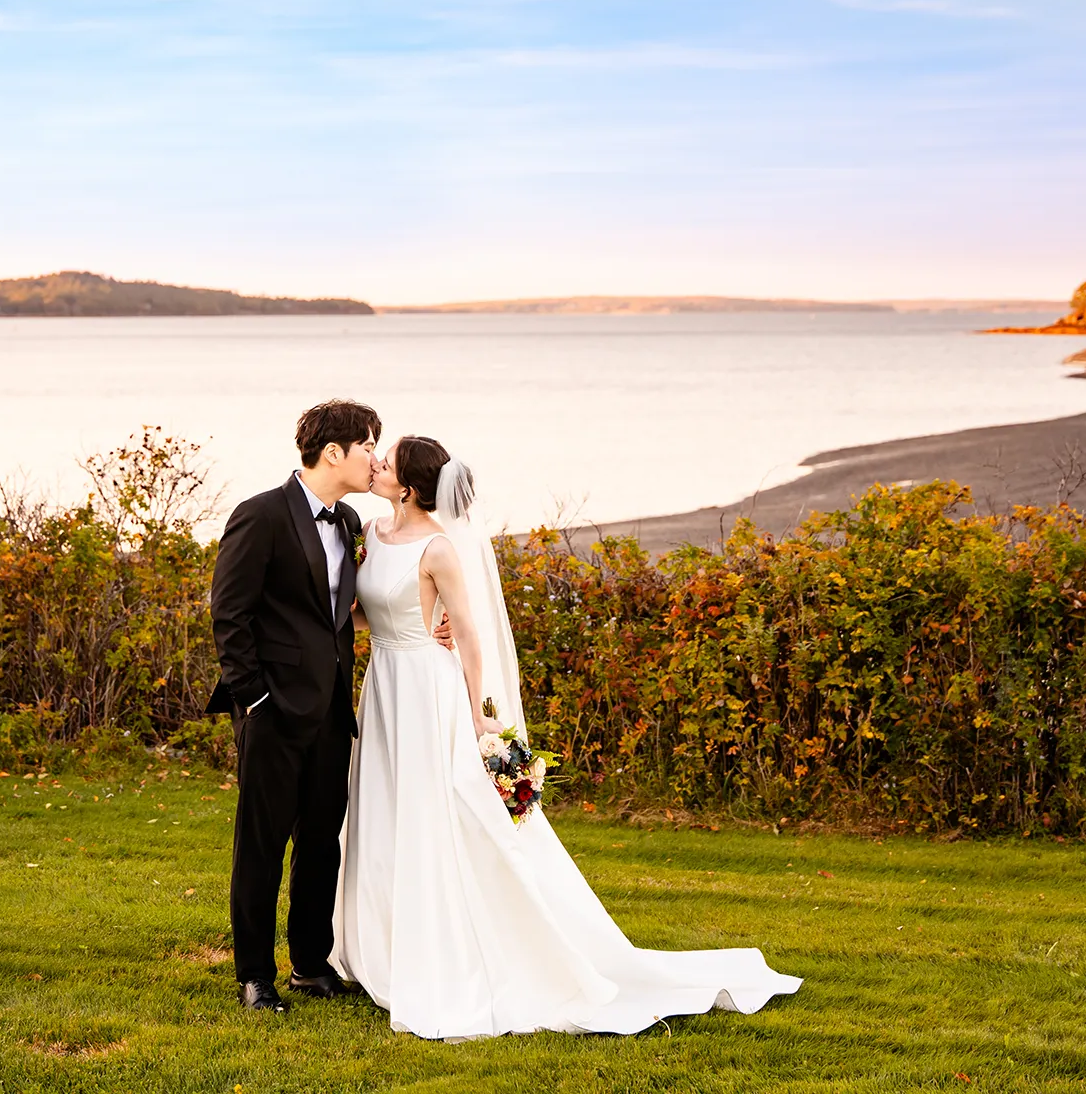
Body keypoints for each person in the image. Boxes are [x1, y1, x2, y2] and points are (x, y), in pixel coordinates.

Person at [331, 434, 802, 1040]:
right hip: (385, 687)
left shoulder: (440, 549)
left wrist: (480, 716)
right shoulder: (373, 535)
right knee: (386, 811)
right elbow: (368, 611)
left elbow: (470, 636)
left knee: (440, 816)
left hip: (427, 690)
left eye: (387, 461)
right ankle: (385, 945)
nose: (377, 464)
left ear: (412, 485)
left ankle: (459, 948)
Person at [206, 399, 377, 1012]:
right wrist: (253, 698)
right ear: (335, 453)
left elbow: (348, 610)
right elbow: (229, 613)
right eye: (367, 448)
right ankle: (256, 975)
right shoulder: (260, 515)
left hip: (332, 712)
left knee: (322, 841)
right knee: (262, 845)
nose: (374, 460)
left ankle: (311, 961)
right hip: (271, 711)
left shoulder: (352, 520)